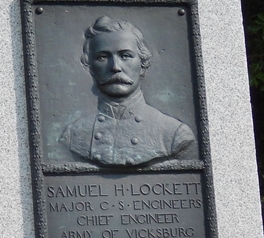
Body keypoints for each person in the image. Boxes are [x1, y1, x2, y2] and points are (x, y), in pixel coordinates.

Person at [60, 16, 195, 167]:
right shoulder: (72, 136)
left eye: (125, 56)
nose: (115, 67)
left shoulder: (174, 134)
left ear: (143, 63)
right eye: (103, 57)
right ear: (89, 65)